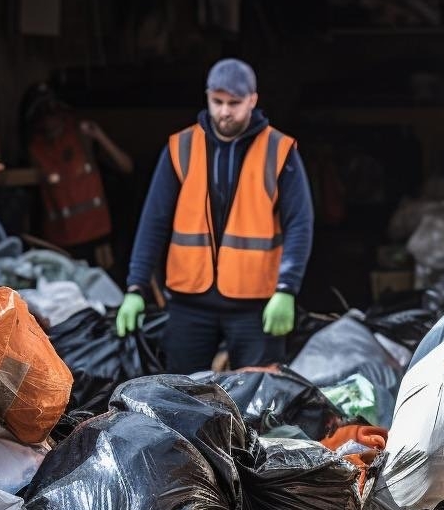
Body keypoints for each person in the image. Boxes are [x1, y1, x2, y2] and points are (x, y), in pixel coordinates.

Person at [114, 59, 312, 373]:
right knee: (181, 400)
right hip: (189, 304)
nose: (224, 112)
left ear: (253, 100)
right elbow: (153, 221)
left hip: (255, 305)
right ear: (207, 97)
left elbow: (299, 224)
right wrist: (136, 287)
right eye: (217, 102)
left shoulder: (279, 150)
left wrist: (287, 289)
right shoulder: (181, 147)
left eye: (234, 103)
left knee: (260, 404)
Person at [23, 84, 133, 268]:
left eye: (53, 110)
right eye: (42, 113)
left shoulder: (82, 135)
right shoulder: (34, 149)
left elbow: (126, 166)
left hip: (98, 237)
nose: (49, 118)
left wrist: (99, 136)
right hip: (61, 242)